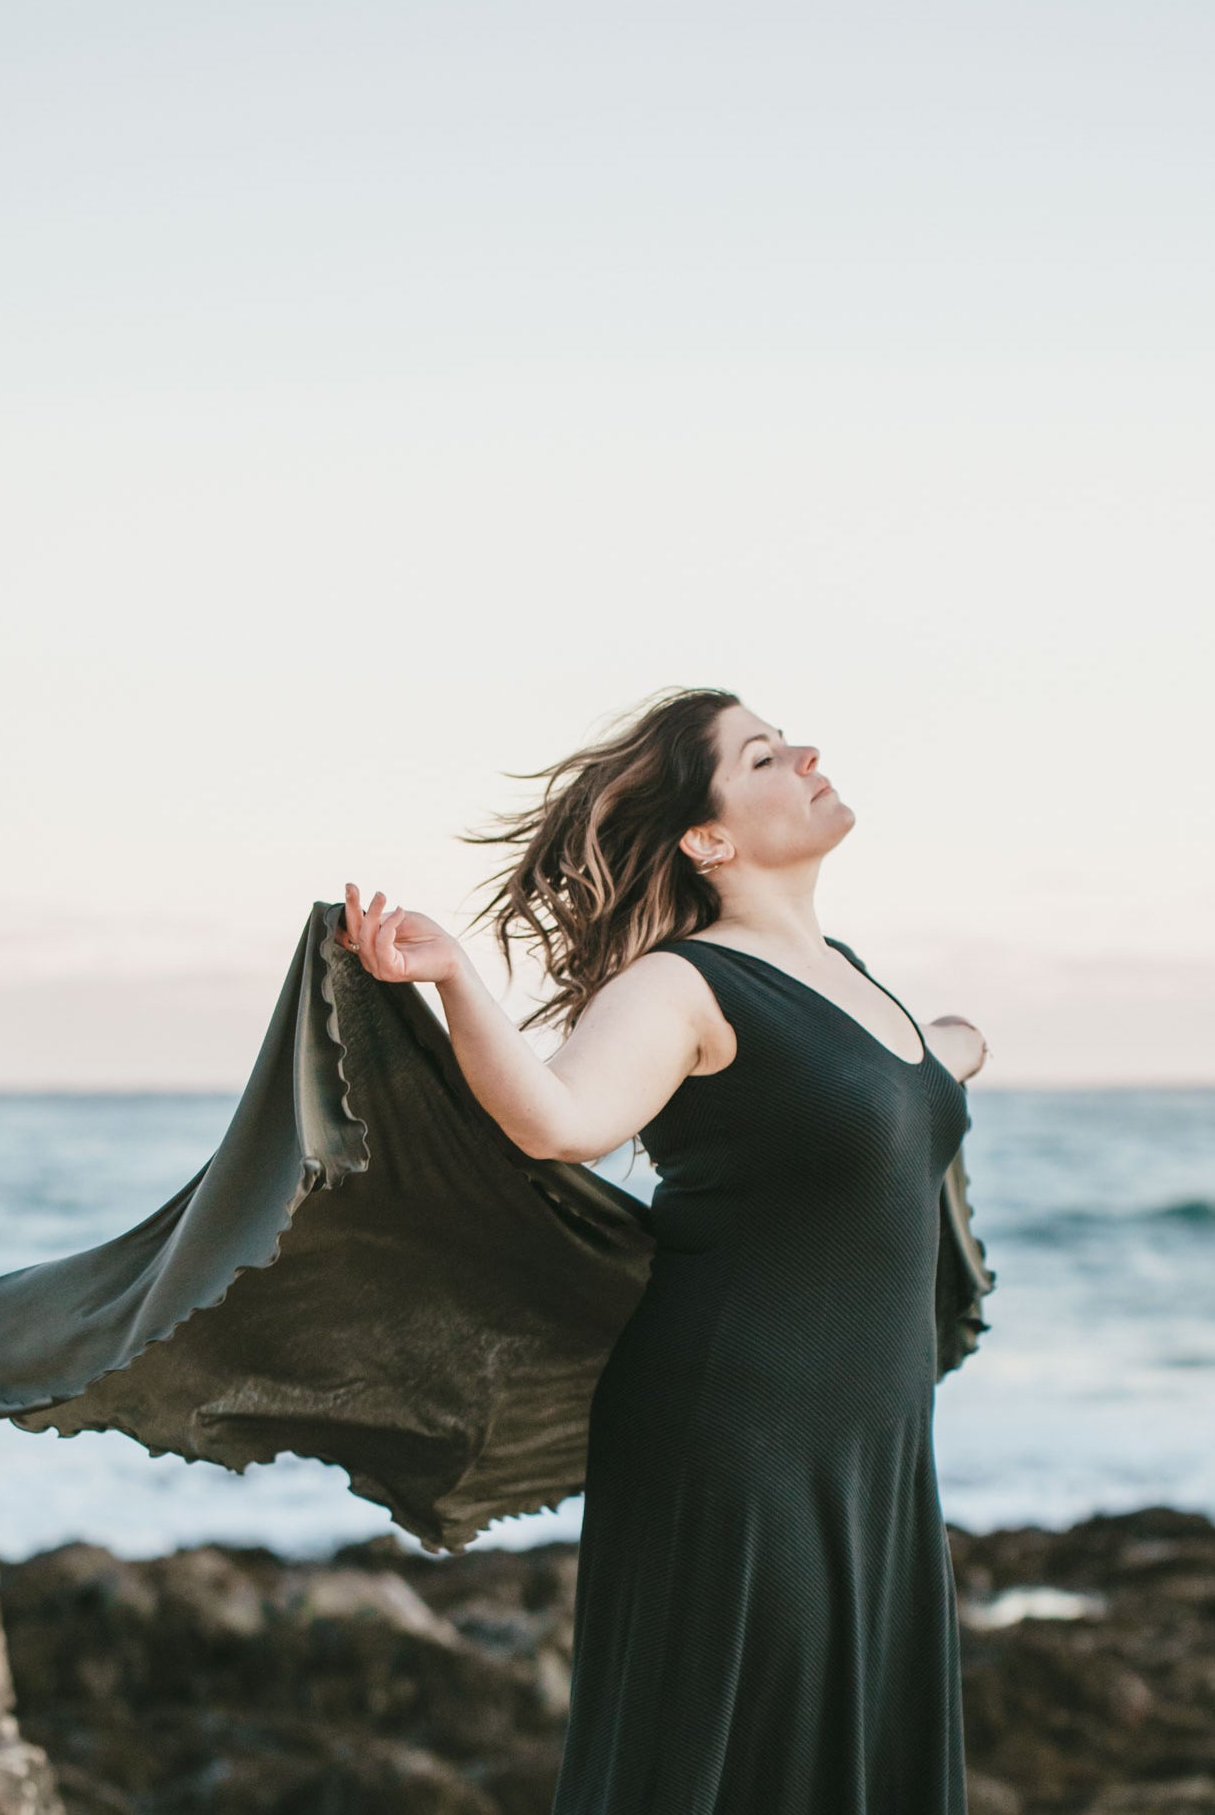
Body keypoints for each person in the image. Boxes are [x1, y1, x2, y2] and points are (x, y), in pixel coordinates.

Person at [334, 683, 988, 1814]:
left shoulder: (851, 970)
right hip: (737, 1432)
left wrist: (956, 1050)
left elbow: (878, 1092)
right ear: (709, 836)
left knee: (849, 1759)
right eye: (767, 755)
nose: (808, 755)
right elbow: (556, 1118)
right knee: (733, 1763)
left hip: (872, 1438)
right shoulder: (679, 983)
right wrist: (455, 982)